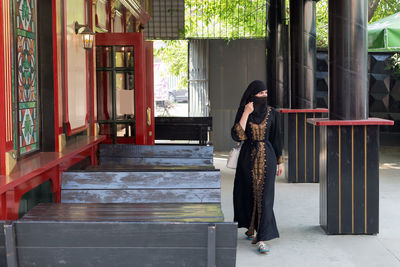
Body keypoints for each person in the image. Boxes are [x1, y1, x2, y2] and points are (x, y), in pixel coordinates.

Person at [231, 80, 283, 254]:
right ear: (252, 95)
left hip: (267, 157)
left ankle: (262, 238)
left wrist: (280, 161)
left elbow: (276, 138)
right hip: (248, 159)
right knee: (250, 194)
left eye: (266, 94)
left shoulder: (272, 113)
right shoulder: (244, 111)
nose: (264, 97)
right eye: (260, 94)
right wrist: (246, 112)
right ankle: (251, 227)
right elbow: (238, 135)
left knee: (266, 198)